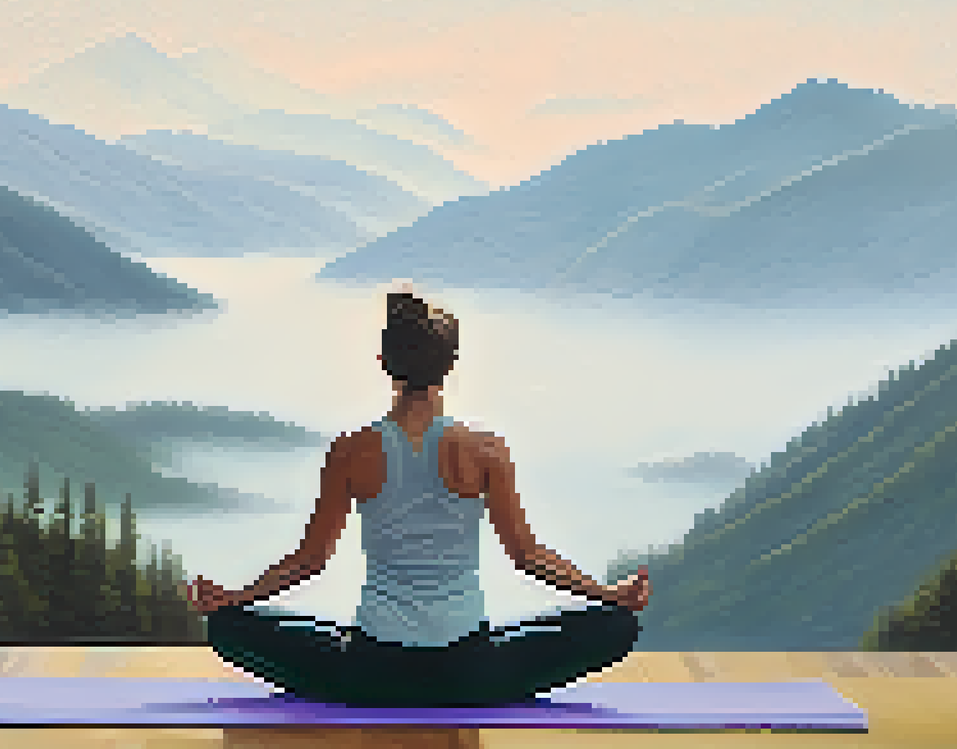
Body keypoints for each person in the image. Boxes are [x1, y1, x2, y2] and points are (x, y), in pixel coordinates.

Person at [184, 290, 649, 707]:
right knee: (616, 625)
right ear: (450, 365)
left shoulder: (351, 451)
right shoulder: (485, 449)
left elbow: (309, 561)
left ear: (386, 364)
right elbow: (529, 557)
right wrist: (608, 595)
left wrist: (234, 599)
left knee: (228, 628)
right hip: (472, 673)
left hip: (371, 672)